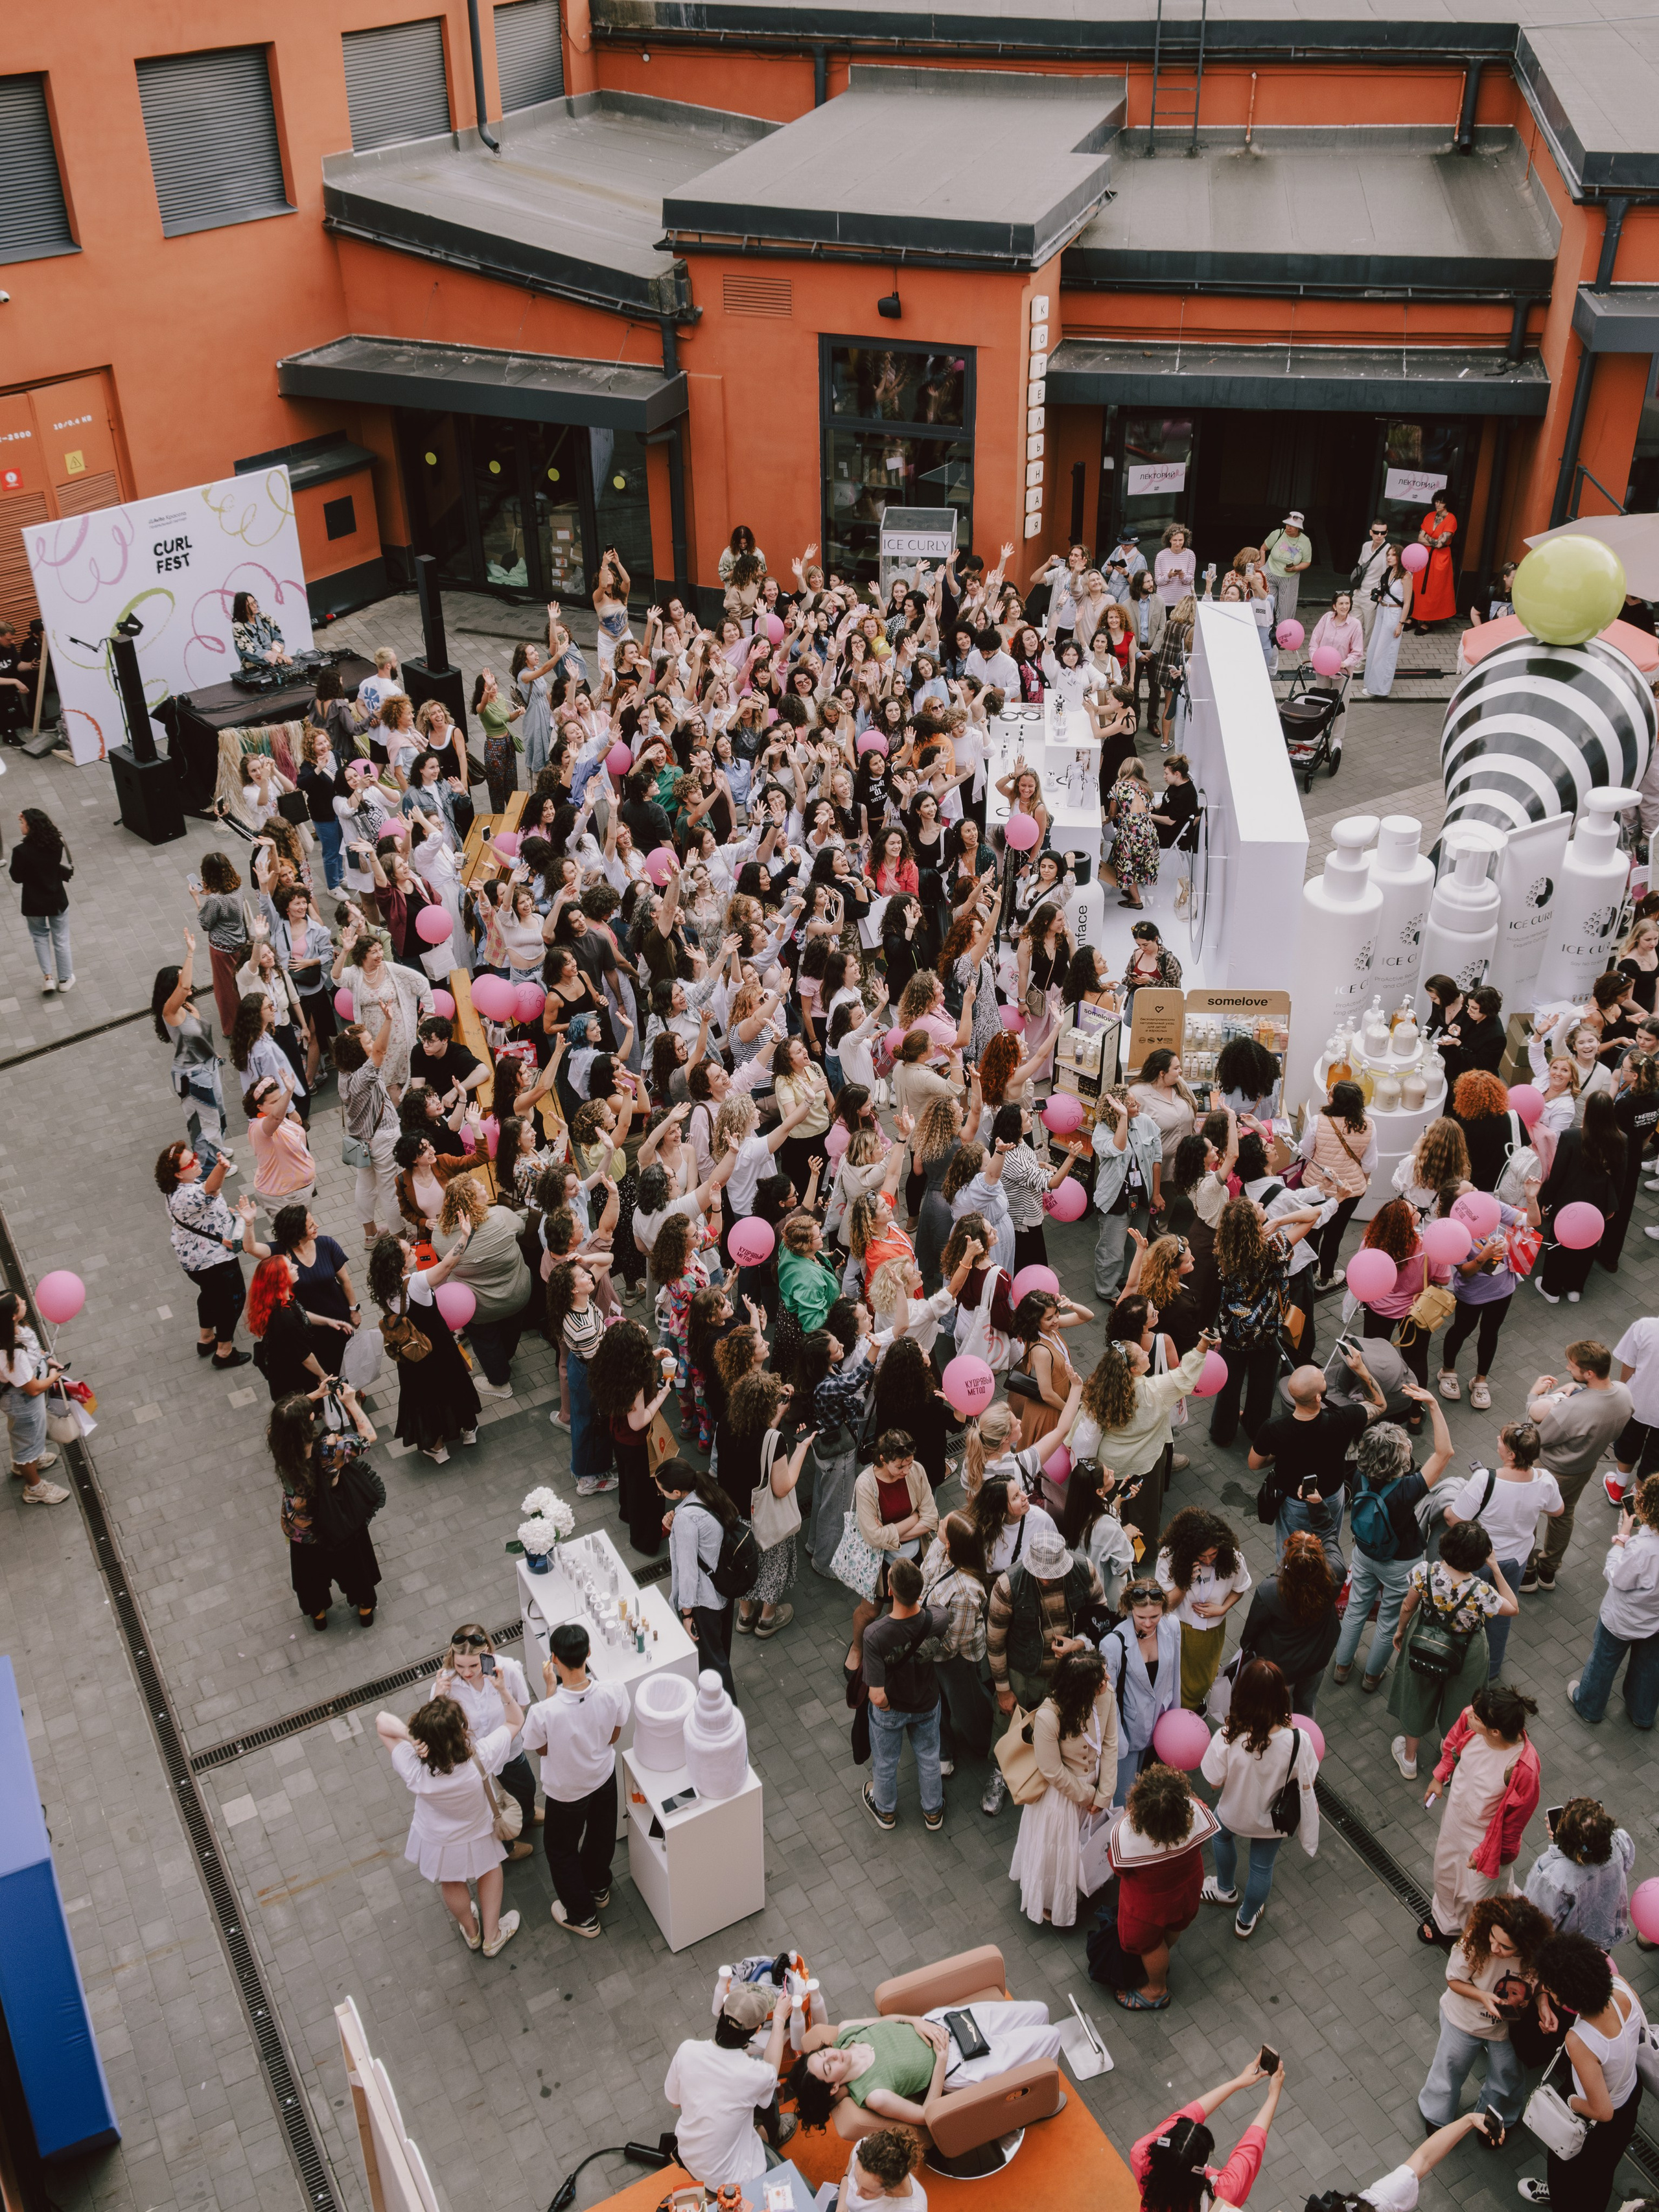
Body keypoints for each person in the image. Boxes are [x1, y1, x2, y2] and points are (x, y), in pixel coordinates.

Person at [375, 1681, 524, 1959]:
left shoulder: (415, 1770)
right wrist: (504, 1691)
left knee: (451, 1882)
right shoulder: (483, 1756)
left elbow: (382, 1721)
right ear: (462, 1730)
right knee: (490, 1871)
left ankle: (472, 1931)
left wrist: (411, 1738)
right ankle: (492, 1938)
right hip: (479, 1829)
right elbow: (517, 1719)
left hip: (438, 1838)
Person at [788, 2000, 1063, 2145]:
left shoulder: (848, 2030)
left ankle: (1037, 2073)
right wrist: (941, 2061)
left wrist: (915, 2021)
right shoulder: (874, 2095)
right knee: (1052, 2036)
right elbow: (926, 2114)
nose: (833, 2055)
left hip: (945, 2022)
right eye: (828, 2066)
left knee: (1041, 2011)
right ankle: (1044, 2100)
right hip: (959, 2062)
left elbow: (887, 2020)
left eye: (824, 2054)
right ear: (833, 2087)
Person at [1330, 1395, 1455, 1691]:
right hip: (1400, 1563)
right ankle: (1372, 1677)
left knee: (1356, 1609)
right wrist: (1434, 1406)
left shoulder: (1359, 1475)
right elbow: (1445, 1451)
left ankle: (1342, 1667)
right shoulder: (1408, 1489)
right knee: (1388, 1620)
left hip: (1364, 1552)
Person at [1514, 1933, 1646, 2211]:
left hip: (1595, 2112)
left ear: (1569, 1997)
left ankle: (1562, 2198)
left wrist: (1571, 2102)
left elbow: (1603, 2111)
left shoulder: (1580, 2040)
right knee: (1599, 2175)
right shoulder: (1621, 1987)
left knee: (1567, 2166)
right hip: (1630, 2092)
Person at [517, 1622, 629, 1937]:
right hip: (603, 1778)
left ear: (554, 1660)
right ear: (589, 1653)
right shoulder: (613, 1691)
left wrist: (550, 1689)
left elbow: (540, 1747)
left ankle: (582, 1916)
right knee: (600, 1835)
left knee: (561, 1850)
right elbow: (614, 1734)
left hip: (566, 1794)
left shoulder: (545, 1712)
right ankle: (598, 1888)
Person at [1198, 1658, 1319, 1940]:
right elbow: (1308, 1780)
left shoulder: (1229, 1735)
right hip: (1270, 1822)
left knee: (1220, 1838)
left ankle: (1225, 1889)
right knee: (1262, 1867)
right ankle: (1245, 1918)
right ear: (1282, 1696)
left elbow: (1214, 1782)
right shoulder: (1299, 1740)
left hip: (1233, 1813)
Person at [1387, 1521, 1516, 1782]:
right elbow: (1513, 1607)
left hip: (1426, 1640)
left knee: (1418, 1692)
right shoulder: (1482, 1592)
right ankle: (1447, 1763)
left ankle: (1410, 1759)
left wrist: (1401, 1631)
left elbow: (1407, 1607)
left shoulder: (1424, 1572)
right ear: (1479, 1558)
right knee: (1462, 1703)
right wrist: (1495, 1567)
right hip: (1467, 1650)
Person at [1417, 1894, 1552, 2135]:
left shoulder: (1538, 1956)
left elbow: (1540, 1984)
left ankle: (1496, 2120)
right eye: (1493, 1937)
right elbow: (1454, 1979)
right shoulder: (1475, 1941)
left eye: (1505, 1946)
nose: (1494, 1947)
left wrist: (1543, 2004)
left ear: (1526, 1945)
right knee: (1450, 2066)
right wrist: (1483, 1997)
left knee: (1507, 2076)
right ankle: (1437, 2114)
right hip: (1464, 2019)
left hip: (1509, 2027)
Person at [1249, 1353, 1386, 1583]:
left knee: (1290, 1549)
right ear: (1319, 1398)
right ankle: (1322, 1579)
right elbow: (1380, 1404)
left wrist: (1277, 1453)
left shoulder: (1274, 1428)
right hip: (1332, 1495)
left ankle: (1286, 1584)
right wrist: (1360, 1369)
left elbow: (1255, 1463)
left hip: (1294, 1501)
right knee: (1326, 1540)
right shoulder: (1343, 1419)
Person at [1422, 1682, 1540, 1946]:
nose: (1467, 1715)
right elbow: (1453, 1744)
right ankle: (1445, 1922)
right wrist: (1440, 1775)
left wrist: (1485, 1853)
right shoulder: (1473, 1720)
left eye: (1475, 1717)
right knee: (1445, 1873)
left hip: (1486, 1839)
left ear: (1495, 1731)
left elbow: (1513, 1825)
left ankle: (1474, 1934)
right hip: (1455, 1820)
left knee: (1474, 1895)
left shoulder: (1522, 1768)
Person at [1442, 1422, 1562, 1675]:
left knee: (1465, 1605)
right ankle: (1492, 1666)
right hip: (1516, 1559)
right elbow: (1557, 1510)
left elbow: (1454, 1518)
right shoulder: (1546, 1481)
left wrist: (1446, 1505)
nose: (1497, 1438)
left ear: (1511, 1455)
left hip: (1479, 1558)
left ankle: (1454, 1657)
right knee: (1501, 1611)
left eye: (1502, 1440)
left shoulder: (1485, 1479)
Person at [1009, 1646, 1117, 1929]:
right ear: (1081, 1688)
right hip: (1063, 1798)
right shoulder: (1049, 1716)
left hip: (1097, 1786)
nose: (1106, 1681)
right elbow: (1052, 1770)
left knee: (1090, 1844)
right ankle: (1051, 1900)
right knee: (1058, 1854)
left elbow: (1110, 1743)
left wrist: (1104, 1794)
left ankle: (1086, 1881)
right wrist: (1088, 1797)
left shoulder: (1106, 1695)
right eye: (1099, 1680)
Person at [1106, 1762, 1221, 2012]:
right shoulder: (1197, 1811)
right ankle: (1161, 1960)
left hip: (1147, 1908)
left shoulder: (1126, 1835)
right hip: (1187, 1890)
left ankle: (1157, 1990)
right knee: (1173, 1926)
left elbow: (1118, 1868)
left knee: (1149, 1945)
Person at [1521, 1340, 1633, 1592]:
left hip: (1549, 1469)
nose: (1568, 1369)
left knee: (1527, 1516)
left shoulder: (1571, 1410)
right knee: (1563, 1515)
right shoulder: (1625, 1393)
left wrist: (1534, 1396)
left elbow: (1534, 1437)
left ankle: (1527, 1575)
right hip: (1583, 1468)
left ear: (1589, 1373)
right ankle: (1548, 1571)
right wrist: (1579, 1389)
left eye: (1572, 1367)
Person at [365, 1228, 481, 1463]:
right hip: (440, 1349)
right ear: (401, 1265)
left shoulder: (384, 1288)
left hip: (413, 1355)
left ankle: (438, 1449)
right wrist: (464, 1236)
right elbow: (447, 1265)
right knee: (454, 1384)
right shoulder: (416, 1283)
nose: (414, 1250)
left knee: (424, 1399)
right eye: (409, 1251)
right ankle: (468, 1430)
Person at [664, 1985, 795, 2189]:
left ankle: (763, 2133)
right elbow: (771, 2073)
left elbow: (674, 2103)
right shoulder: (754, 2074)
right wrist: (778, 2020)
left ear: (721, 2015)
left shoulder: (687, 2050)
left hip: (689, 2154)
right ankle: (772, 2134)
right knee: (803, 2189)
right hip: (731, 2182)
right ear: (758, 2029)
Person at [431, 1624, 536, 1856]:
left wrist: (508, 1720)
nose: (467, 1673)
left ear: (487, 1652)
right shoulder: (446, 1683)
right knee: (489, 1808)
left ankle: (525, 1815)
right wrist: (439, 1697)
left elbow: (523, 1702)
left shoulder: (506, 1668)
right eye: (460, 1666)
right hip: (475, 1761)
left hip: (509, 1749)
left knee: (527, 1788)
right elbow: (435, 1724)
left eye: (473, 1666)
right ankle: (506, 1847)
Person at [861, 1555, 948, 1835]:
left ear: (889, 1590)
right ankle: (933, 1811)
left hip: (892, 1708)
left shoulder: (875, 1634)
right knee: (929, 1756)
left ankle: (885, 1811)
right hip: (926, 1701)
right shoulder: (940, 1618)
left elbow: (876, 1696)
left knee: (886, 1762)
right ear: (920, 1592)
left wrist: (886, 1707)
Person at [1128, 2056, 1287, 2211]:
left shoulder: (1141, 2155)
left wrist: (1238, 2082)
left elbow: (1186, 2115)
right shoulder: (1221, 2195)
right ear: (1199, 2167)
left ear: (1165, 2141)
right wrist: (1273, 2094)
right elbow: (1249, 2150)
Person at [987, 1522, 1106, 1727]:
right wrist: (1004, 1690)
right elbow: (995, 1642)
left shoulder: (1084, 1570)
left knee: (1060, 1727)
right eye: (1040, 1572)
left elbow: (1101, 1612)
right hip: (1023, 1674)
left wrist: (1080, 1642)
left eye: (1052, 1573)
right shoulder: (1007, 1585)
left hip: (1068, 1672)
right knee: (1014, 1731)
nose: (1046, 1579)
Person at [1568, 1470, 1659, 1725]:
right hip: (1655, 1622)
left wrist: (1621, 1540)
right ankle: (1642, 1714)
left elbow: (1618, 1577)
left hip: (1623, 1619)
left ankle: (1589, 1706)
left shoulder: (1643, 1548)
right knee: (1650, 1668)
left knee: (1604, 1661)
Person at [156, 1139, 250, 1369]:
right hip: (213, 1260)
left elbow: (206, 1196)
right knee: (232, 1301)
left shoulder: (175, 1189)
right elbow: (209, 1189)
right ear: (178, 1174)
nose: (197, 1162)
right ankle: (224, 1351)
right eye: (190, 1163)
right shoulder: (186, 1196)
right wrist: (221, 1167)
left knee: (209, 1295)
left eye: (195, 1157)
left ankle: (206, 1338)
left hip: (196, 1260)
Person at [656, 1455, 740, 1698]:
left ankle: (726, 1711)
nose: (661, 1495)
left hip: (705, 1601)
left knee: (713, 1663)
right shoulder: (708, 1494)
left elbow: (688, 1572)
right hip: (724, 1587)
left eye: (662, 1492)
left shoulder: (685, 1519)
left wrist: (687, 1613)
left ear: (675, 1492)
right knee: (721, 1652)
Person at [1155, 1507, 1252, 1711]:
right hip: (1177, 1626)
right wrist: (1184, 1583)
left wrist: (1223, 1608)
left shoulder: (1232, 1556)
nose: (1209, 1560)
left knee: (1204, 1676)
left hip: (1212, 1629)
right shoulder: (1168, 1557)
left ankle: (1190, 1707)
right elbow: (1165, 1605)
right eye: (1203, 1556)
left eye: (1214, 1554)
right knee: (1173, 1674)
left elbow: (1240, 1588)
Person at [1235, 1533, 1340, 1717]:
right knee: (1307, 1703)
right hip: (1317, 1658)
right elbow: (1331, 1535)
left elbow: (1252, 1631)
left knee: (1280, 1707)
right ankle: (1306, 1735)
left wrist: (1248, 1650)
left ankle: (1285, 1735)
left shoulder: (1270, 1591)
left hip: (1281, 1666)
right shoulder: (1333, 1578)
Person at [1537, 1090, 1625, 1302]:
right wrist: (1612, 1206)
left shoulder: (1572, 1136)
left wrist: (1547, 1201)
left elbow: (1558, 1172)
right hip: (1598, 1202)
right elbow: (1621, 1177)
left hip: (1568, 1200)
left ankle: (1552, 1288)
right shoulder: (1621, 1139)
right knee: (1588, 1244)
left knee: (1560, 1243)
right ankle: (1575, 1288)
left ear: (1587, 1111)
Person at [1526, 1796, 1636, 1946]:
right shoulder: (1618, 1839)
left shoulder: (1553, 1876)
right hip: (1604, 1935)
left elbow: (1539, 1923)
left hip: (1572, 1947)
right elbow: (1626, 1864)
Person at [1091, 1085, 1164, 1300]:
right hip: (1115, 1197)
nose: (1139, 1105)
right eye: (1133, 1104)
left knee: (1135, 1244)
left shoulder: (1145, 1122)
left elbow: (1157, 1158)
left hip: (1141, 1194)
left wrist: (1156, 1193)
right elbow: (1118, 1148)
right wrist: (1123, 1119)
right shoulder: (1102, 1131)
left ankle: (1126, 1280)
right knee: (1111, 1249)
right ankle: (1106, 1290)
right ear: (1120, 1110)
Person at [0, 1292, 69, 1505]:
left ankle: (30, 1462)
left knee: (29, 1438)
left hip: (26, 1399)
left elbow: (32, 1347)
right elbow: (33, 1389)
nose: (24, 1302)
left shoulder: (14, 1330)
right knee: (27, 1443)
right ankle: (35, 1488)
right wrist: (53, 1376)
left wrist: (46, 1359)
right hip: (23, 1403)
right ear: (12, 1316)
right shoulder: (12, 1354)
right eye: (19, 1302)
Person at [10, 808, 74, 994]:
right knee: (61, 939)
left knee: (39, 937)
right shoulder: (56, 843)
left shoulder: (20, 851)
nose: (20, 826)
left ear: (31, 826)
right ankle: (65, 979)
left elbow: (16, 877)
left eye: (22, 823)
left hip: (33, 902)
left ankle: (48, 978)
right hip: (56, 899)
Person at [835, 2127, 927, 2212]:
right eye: (856, 2179)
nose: (857, 2193)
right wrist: (841, 2209)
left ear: (891, 2187)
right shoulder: (861, 2149)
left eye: (868, 2191)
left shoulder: (910, 2209)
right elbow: (847, 2176)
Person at [1363, 544, 1411, 698]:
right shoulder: (1390, 572)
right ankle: (1371, 684)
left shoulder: (1406, 576)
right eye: (1388, 555)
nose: (1389, 557)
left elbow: (1408, 603)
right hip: (1383, 610)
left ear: (1400, 558)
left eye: (1393, 555)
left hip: (1394, 613)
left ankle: (1380, 689)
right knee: (1374, 648)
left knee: (1384, 652)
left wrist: (1401, 624)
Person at [1412, 489, 1459, 627]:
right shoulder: (1429, 516)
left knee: (1434, 588)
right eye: (1437, 501)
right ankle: (1414, 616)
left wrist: (1427, 537)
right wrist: (1432, 540)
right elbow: (1419, 539)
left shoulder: (1451, 519)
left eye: (1442, 502)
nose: (1438, 504)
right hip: (1424, 555)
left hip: (1440, 558)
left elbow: (1440, 544)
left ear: (1448, 504)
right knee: (1418, 585)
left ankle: (1428, 620)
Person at [1262, 510, 1312, 627]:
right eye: (1287, 525)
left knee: (1286, 610)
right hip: (1270, 573)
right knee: (1268, 606)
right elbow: (1263, 549)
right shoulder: (1277, 534)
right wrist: (1261, 566)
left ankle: (1280, 636)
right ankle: (1267, 632)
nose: (1288, 528)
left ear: (1298, 528)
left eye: (1292, 526)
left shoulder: (1305, 541)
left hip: (1289, 578)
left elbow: (1307, 561)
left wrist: (1296, 568)